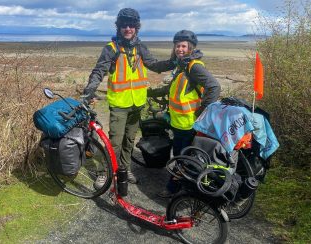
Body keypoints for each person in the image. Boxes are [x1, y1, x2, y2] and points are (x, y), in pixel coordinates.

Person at [82, 8, 172, 188]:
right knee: (114, 141)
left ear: (137, 27)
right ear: (119, 27)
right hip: (119, 104)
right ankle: (105, 172)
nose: (128, 28)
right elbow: (99, 71)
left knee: (129, 141)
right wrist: (89, 90)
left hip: (137, 104)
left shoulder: (140, 47)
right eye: (124, 25)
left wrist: (174, 61)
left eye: (132, 25)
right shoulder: (111, 49)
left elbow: (154, 65)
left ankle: (124, 169)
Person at [147, 30, 221, 198]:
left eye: (183, 46)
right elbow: (171, 89)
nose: (179, 49)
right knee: (181, 155)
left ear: (190, 48)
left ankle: (173, 188)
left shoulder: (193, 66)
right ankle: (183, 183)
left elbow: (214, 87)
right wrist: (150, 93)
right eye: (177, 46)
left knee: (182, 158)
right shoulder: (182, 66)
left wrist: (201, 113)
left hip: (189, 124)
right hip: (178, 122)